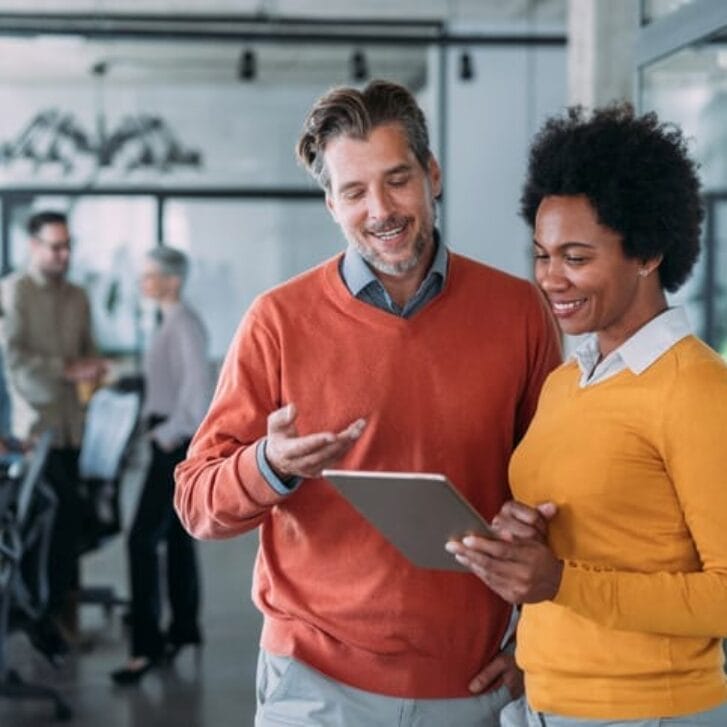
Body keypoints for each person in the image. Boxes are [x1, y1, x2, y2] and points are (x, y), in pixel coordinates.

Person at [174, 80, 561, 727]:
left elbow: (561, 497)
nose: (379, 208)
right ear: (331, 203)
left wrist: (535, 642)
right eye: (353, 191)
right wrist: (269, 463)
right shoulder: (276, 320)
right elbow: (197, 503)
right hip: (314, 678)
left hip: (470, 683)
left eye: (397, 179)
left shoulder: (519, 311)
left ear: (431, 174)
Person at [447, 103, 727, 726]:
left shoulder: (697, 389)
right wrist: (526, 538)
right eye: (543, 255)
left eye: (576, 257)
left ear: (648, 252)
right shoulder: (566, 381)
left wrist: (562, 582)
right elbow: (596, 535)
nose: (551, 278)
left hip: (646, 711)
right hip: (543, 703)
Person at [0, 210, 107, 650]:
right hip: (33, 429)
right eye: (55, 246)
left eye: (68, 246)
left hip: (73, 428)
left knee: (69, 524)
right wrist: (67, 370)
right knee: (46, 520)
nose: (63, 254)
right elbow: (16, 362)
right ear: (34, 246)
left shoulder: (78, 296)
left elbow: (90, 351)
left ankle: (54, 612)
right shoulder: (15, 292)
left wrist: (93, 367)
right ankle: (37, 615)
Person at [111, 246, 212, 685]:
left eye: (150, 275)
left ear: (172, 280)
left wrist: (166, 433)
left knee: (140, 540)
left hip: (173, 443)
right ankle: (184, 628)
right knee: (174, 537)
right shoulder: (172, 321)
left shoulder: (184, 325)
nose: (143, 282)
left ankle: (146, 647)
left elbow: (198, 395)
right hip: (169, 438)